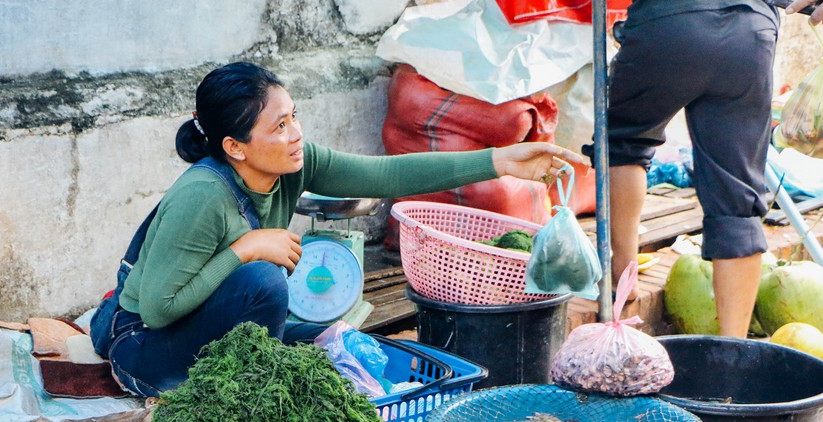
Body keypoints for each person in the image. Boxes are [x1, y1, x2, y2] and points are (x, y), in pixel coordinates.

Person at [90, 61, 587, 396]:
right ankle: (249, 398)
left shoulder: (294, 164)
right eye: (279, 126)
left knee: (334, 336)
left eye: (294, 116)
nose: (296, 133)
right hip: (143, 350)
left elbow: (387, 174)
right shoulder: (202, 195)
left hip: (198, 324)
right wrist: (243, 249)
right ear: (235, 147)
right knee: (263, 280)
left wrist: (501, 160)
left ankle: (268, 375)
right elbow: (157, 310)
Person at [591, 0, 823, 338]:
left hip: (669, 23)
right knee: (738, 194)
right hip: (749, 29)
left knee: (623, 143)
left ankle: (622, 274)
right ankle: (731, 351)